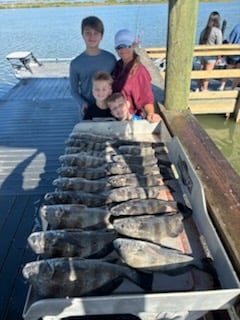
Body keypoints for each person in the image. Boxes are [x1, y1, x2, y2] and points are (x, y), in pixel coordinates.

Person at [69, 16, 117, 120]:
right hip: (88, 111)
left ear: (102, 36)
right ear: (82, 35)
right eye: (88, 33)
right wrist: (83, 104)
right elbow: (74, 91)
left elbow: (116, 84)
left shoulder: (111, 59)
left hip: (109, 109)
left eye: (96, 33)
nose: (92, 37)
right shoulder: (75, 63)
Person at [111, 29, 161, 123]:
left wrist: (151, 114)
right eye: (119, 47)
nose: (123, 50)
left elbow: (147, 98)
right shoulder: (117, 66)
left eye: (127, 45)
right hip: (116, 116)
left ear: (133, 46)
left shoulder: (140, 71)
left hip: (131, 119)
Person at [197, 11, 223, 91]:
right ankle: (204, 89)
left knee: (201, 71)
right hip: (211, 56)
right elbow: (219, 45)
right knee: (207, 73)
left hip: (202, 55)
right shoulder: (217, 31)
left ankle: (198, 88)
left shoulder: (204, 30)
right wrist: (219, 58)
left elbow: (200, 42)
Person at [218, 23, 240, 90]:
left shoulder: (237, 27)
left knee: (228, 70)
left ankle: (222, 86)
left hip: (233, 53)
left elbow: (229, 40)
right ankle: (232, 88)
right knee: (238, 73)